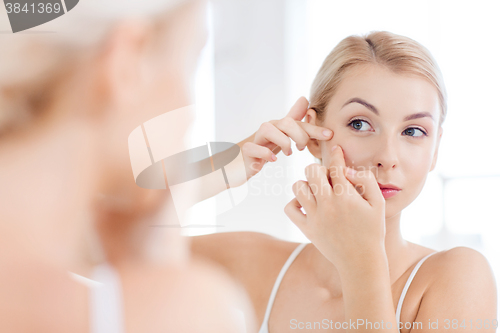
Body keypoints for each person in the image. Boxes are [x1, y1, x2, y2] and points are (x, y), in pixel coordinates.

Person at [191, 31, 497, 333]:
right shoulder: (254, 262)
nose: (388, 157)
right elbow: (141, 255)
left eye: (413, 131)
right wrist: (220, 171)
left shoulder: (459, 277)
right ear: (313, 136)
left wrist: (361, 267)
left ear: (435, 150)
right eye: (360, 124)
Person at [0, 0, 255, 332]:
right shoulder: (188, 310)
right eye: (192, 61)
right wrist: (157, 287)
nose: (189, 110)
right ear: (128, 63)